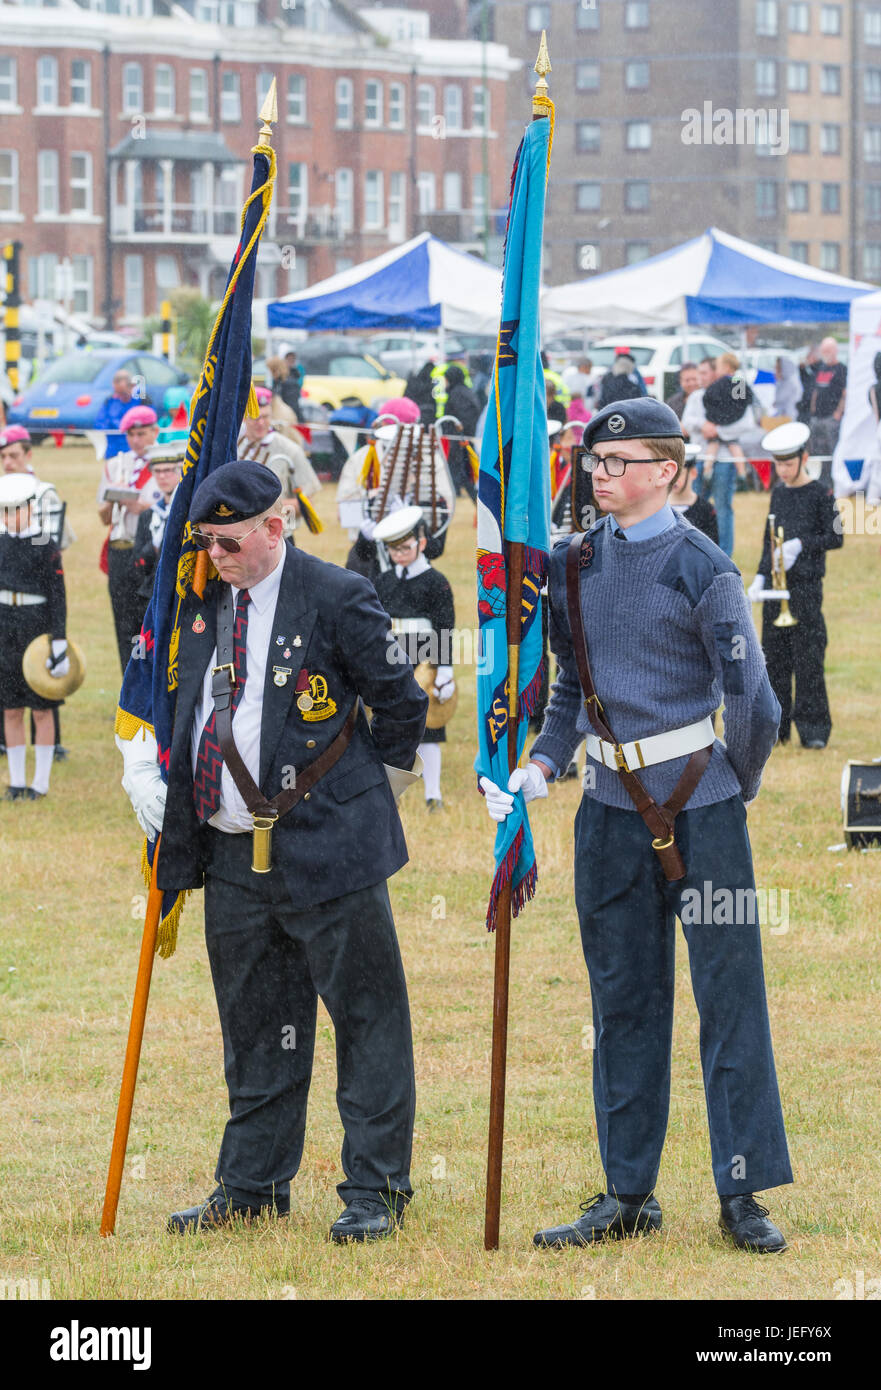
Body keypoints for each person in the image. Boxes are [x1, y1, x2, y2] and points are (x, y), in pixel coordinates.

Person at [480, 397, 791, 1255]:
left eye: (619, 463)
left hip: (704, 811)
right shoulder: (572, 564)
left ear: (668, 471)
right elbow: (568, 691)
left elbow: (753, 702)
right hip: (607, 815)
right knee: (622, 1000)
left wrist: (738, 779)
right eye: (593, 463)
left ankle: (742, 1193)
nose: (600, 476)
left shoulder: (703, 567)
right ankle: (626, 1192)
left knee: (730, 999)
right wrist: (540, 764)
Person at [115, 460, 428, 1241]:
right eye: (206, 542)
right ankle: (252, 1182)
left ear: (273, 528)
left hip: (329, 852)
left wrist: (356, 800)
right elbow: (182, 706)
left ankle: (375, 1187)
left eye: (227, 542)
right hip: (230, 854)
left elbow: (400, 704)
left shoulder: (336, 594)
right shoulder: (201, 605)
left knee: (366, 1019)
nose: (214, 556)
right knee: (256, 1025)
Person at [747, 422, 843, 750]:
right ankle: (778, 727)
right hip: (777, 591)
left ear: (804, 458)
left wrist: (802, 544)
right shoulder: (778, 493)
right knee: (774, 660)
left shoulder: (821, 493)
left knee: (808, 660)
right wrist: (761, 576)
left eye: (788, 464)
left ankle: (814, 729)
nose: (783, 471)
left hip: (805, 588)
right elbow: (768, 540)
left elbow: (836, 537)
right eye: (778, 464)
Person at [373, 506, 455, 812]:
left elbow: (445, 627)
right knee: (388, 724)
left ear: (421, 543)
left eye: (405, 548)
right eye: (393, 549)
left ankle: (433, 794)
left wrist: (444, 671)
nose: (399, 555)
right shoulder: (382, 581)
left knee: (429, 729)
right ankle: (386, 793)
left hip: (424, 659)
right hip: (391, 659)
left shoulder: (437, 581)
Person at [1, 424, 72, 759]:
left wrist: (59, 637)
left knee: (41, 693)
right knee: (10, 700)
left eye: (11, 454)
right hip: (7, 617)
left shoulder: (42, 499)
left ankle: (46, 752)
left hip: (35, 614)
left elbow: (55, 588)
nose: (7, 461)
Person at [237, 389, 321, 540]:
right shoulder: (232, 447)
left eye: (266, 417)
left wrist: (262, 507)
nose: (261, 423)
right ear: (243, 417)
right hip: (238, 538)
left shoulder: (290, 450)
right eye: (255, 418)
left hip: (278, 538)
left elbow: (306, 504)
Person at [132, 441, 184, 617]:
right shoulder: (149, 515)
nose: (163, 477)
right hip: (151, 593)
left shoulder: (186, 515)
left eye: (169, 470)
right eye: (158, 471)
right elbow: (137, 560)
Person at [700, 351, 756, 478]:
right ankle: (742, 473)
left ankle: (707, 469)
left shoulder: (720, 382)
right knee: (734, 445)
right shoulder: (738, 381)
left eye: (718, 367)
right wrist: (730, 417)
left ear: (726, 367)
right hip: (733, 419)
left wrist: (715, 417)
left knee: (713, 444)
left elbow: (708, 398)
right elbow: (740, 403)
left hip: (718, 419)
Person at [808, 338, 847, 486]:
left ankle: (835, 481)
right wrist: (812, 409)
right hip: (817, 416)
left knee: (832, 450)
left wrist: (838, 412)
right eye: (823, 350)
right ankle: (822, 481)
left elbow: (845, 393)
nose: (825, 354)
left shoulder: (841, 369)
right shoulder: (822, 368)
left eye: (828, 350)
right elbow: (816, 391)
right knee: (817, 450)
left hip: (831, 417)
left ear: (835, 351)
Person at [442, 364, 481, 504]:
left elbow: (465, 418)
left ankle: (476, 501)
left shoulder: (457, 394)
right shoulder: (464, 391)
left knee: (463, 474)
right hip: (460, 441)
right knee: (463, 474)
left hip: (460, 442)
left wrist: (461, 435)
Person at [669, 444, 719, 543]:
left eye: (679, 473)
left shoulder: (706, 510)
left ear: (693, 473)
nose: (674, 479)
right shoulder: (658, 508)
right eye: (671, 472)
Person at [94, 369, 142, 460]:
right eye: (117, 392)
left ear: (132, 386)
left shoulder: (142, 401)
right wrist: (115, 426)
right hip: (113, 451)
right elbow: (99, 423)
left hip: (136, 451)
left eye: (122, 392)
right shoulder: (110, 401)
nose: (119, 396)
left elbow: (148, 422)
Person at [864, 351, 881, 506]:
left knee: (878, 465)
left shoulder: (873, 389)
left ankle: (873, 497)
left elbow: (876, 413)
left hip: (880, 427)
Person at [772, 357, 803, 421]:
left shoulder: (789, 383)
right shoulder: (782, 382)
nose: (775, 371)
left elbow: (779, 399)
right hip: (782, 416)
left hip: (788, 417)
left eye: (777, 368)